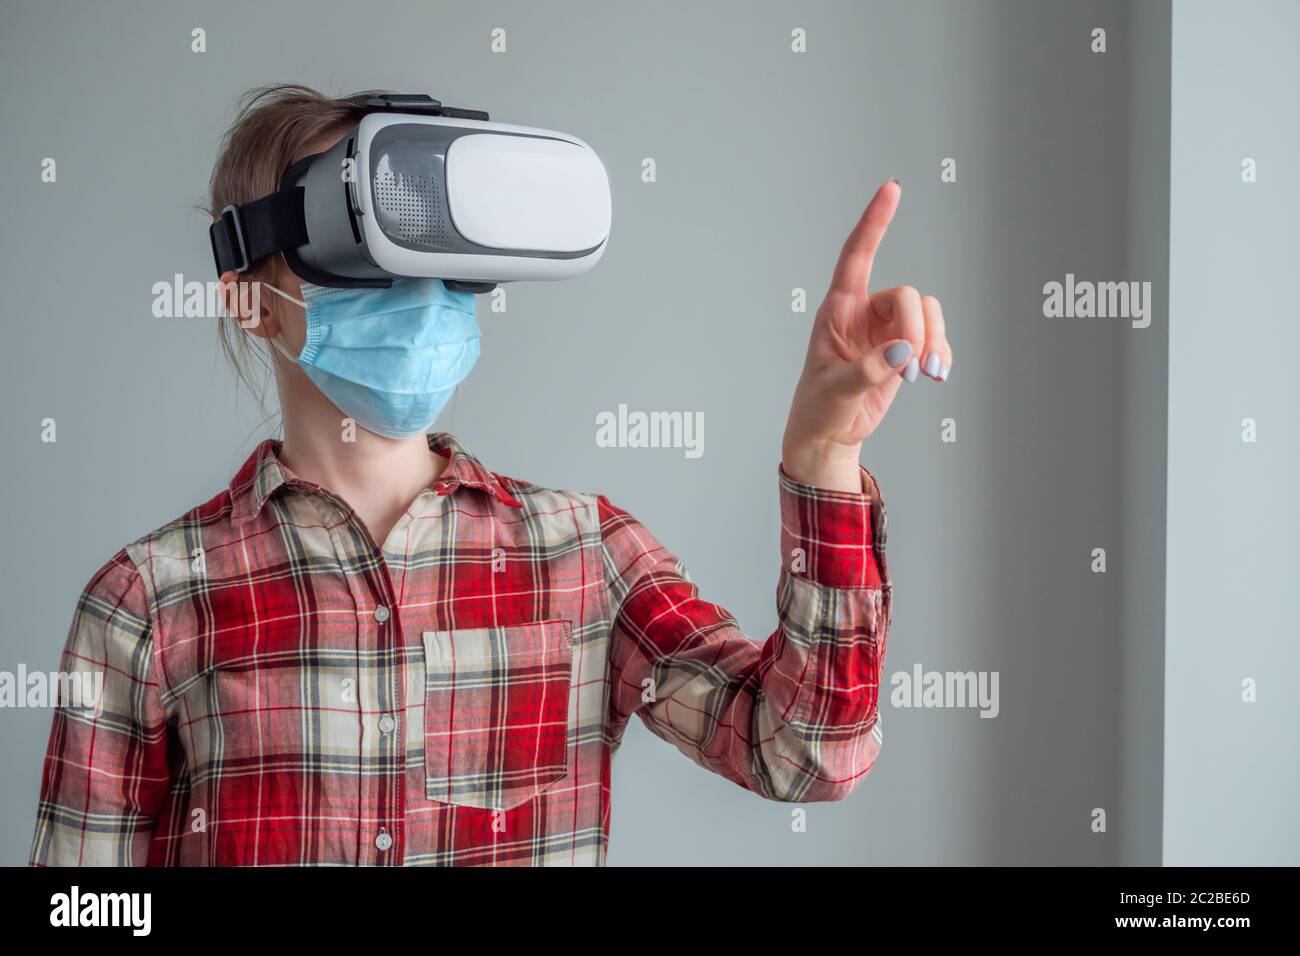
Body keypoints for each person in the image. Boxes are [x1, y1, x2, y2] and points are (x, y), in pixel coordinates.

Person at [30, 84, 952, 866]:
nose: (419, 293)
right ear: (247, 296)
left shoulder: (586, 555)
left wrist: (825, 458)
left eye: (443, 255)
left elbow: (803, 757)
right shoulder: (148, 602)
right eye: (362, 251)